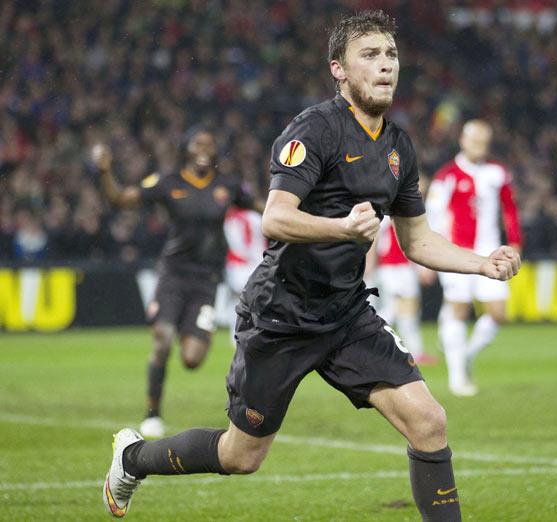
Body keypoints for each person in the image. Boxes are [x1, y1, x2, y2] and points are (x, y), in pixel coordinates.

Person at [102, 12, 520, 521]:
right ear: (338, 69)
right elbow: (276, 218)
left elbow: (417, 241)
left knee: (429, 420)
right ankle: (133, 458)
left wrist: (482, 263)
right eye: (370, 55)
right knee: (241, 456)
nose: (385, 65)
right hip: (281, 315)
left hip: (345, 313)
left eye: (391, 55)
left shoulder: (399, 147)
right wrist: (343, 228)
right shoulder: (314, 130)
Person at [92, 130, 258, 438]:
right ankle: (152, 413)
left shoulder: (228, 186)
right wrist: (104, 171)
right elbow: (120, 199)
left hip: (206, 281)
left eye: (209, 144)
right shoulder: (169, 182)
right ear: (187, 149)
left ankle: (188, 326)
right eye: (198, 144)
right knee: (162, 338)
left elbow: (263, 205)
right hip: (173, 274)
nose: (204, 149)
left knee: (192, 359)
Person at [425, 120, 523, 396]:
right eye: (475, 141)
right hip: (457, 254)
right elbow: (432, 217)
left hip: (490, 252)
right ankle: (458, 377)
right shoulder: (447, 177)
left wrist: (515, 241)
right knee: (459, 310)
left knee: (498, 313)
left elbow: (510, 209)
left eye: (484, 142)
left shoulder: (497, 172)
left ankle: (465, 355)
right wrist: (430, 255)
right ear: (463, 141)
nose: (480, 146)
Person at [366, 216, 439, 366]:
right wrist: (370, 264)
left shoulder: (396, 210)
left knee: (402, 309)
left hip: (400, 265)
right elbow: (376, 237)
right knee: (398, 308)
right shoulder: (389, 213)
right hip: (393, 266)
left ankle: (414, 351)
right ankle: (368, 341)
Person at [223, 206, 266, 341]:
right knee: (257, 301)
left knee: (237, 301)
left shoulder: (232, 219)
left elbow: (236, 244)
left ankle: (235, 334)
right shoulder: (256, 216)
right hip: (258, 262)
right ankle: (255, 333)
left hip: (239, 265)